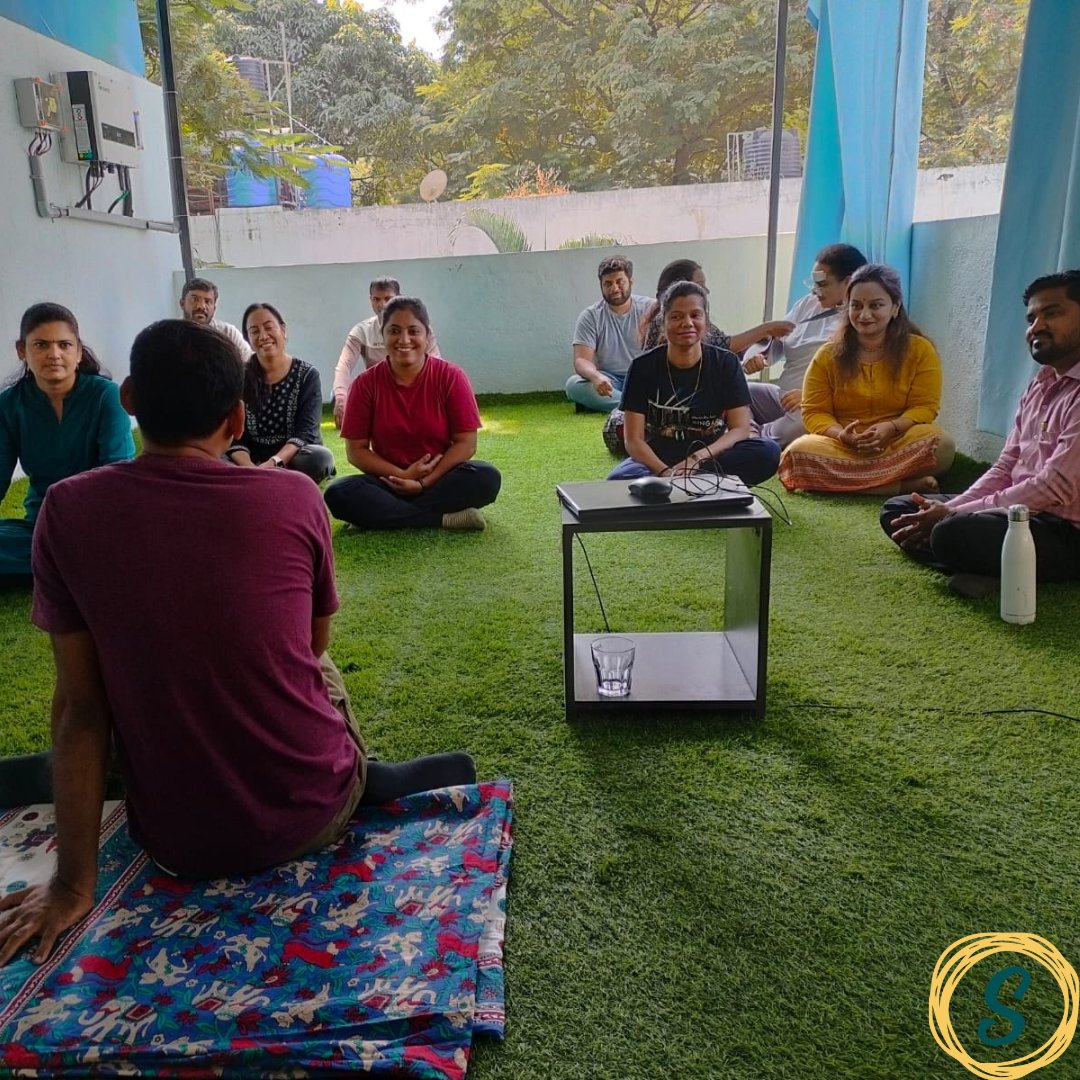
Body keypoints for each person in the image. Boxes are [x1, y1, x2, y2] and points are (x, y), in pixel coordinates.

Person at [0, 318, 476, 966]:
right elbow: (311, 644)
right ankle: (360, 776)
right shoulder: (294, 496)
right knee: (314, 659)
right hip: (314, 814)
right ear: (236, 418)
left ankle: (53, 776)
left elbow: (81, 709)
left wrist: (71, 885)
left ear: (130, 398)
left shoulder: (65, 510)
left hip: (178, 843)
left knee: (108, 689)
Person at [881, 269, 1080, 596]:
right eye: (1031, 319)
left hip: (1065, 530)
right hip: (1016, 515)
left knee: (950, 531)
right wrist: (952, 508)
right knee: (898, 509)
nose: (1036, 327)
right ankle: (993, 567)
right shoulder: (1041, 384)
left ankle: (988, 563)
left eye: (1052, 313)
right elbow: (1006, 466)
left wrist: (953, 514)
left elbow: (1054, 485)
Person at [325, 297, 501, 531]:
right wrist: (403, 475)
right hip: (388, 481)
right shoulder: (365, 384)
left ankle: (380, 516)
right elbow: (356, 451)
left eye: (413, 331)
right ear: (383, 335)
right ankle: (443, 519)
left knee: (486, 477)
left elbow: (466, 443)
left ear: (427, 336)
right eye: (394, 331)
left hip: (440, 479)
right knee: (338, 493)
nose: (404, 340)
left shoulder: (451, 377)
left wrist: (423, 483)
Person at [777, 264, 955, 494]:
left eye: (876, 305)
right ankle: (899, 486)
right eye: (857, 306)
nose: (864, 315)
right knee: (798, 453)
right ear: (847, 307)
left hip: (896, 441)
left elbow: (925, 407)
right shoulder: (827, 355)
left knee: (942, 444)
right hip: (841, 445)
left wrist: (891, 427)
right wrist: (842, 435)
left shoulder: (920, 350)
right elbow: (814, 411)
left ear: (895, 308)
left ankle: (845, 483)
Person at [0, 303, 134, 583]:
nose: (54, 354)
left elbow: (118, 475)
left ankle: (65, 560)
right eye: (41, 345)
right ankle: (64, 561)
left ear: (78, 352)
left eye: (64, 345)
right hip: (41, 524)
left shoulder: (106, 396)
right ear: (22, 350)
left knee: (116, 547)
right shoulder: (9, 404)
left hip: (98, 524)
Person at [608, 281, 781, 486]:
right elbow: (633, 440)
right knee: (619, 480)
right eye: (676, 316)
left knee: (767, 452)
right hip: (658, 458)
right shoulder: (642, 367)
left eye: (695, 315)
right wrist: (664, 472)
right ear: (663, 322)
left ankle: (686, 486)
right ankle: (702, 486)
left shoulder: (726, 363)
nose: (687, 323)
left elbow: (740, 428)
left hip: (710, 456)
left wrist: (696, 459)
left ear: (705, 321)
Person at [743, 243, 867, 448]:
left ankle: (750, 439)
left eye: (822, 284)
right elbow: (777, 338)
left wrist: (812, 397)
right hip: (783, 396)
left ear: (848, 283)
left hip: (815, 405)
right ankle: (749, 436)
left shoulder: (861, 321)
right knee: (740, 391)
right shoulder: (807, 304)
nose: (814, 290)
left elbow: (859, 382)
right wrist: (759, 356)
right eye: (814, 283)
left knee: (804, 422)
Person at [225, 302, 336, 483]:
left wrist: (272, 463)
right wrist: (251, 468)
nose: (263, 336)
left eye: (269, 327)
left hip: (294, 457)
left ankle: (269, 478)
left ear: (283, 330)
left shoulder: (307, 375)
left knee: (320, 458)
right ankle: (269, 479)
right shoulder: (240, 376)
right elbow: (236, 436)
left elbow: (306, 432)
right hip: (252, 459)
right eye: (254, 331)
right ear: (247, 339)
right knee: (217, 458)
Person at [331, 277, 441, 429]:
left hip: (415, 388)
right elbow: (344, 364)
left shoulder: (421, 328)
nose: (382, 305)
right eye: (376, 299)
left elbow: (436, 363)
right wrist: (341, 397)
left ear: (399, 297)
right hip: (378, 392)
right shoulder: (361, 331)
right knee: (336, 395)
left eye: (388, 299)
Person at [638, 259, 794, 354]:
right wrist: (766, 329)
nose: (706, 291)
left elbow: (724, 343)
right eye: (700, 286)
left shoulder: (695, 318)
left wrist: (759, 340)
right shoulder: (663, 321)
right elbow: (726, 345)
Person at [566, 256, 653, 414]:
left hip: (646, 379)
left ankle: (625, 407)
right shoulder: (590, 316)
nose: (614, 288)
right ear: (601, 285)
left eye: (620, 282)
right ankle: (641, 410)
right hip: (610, 381)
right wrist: (595, 377)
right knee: (574, 385)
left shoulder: (651, 309)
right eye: (608, 284)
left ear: (631, 282)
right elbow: (582, 360)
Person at [178, 277, 247, 357]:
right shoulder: (170, 336)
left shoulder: (229, 334)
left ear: (214, 308)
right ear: (182, 304)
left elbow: (249, 360)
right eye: (195, 299)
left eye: (207, 301)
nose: (201, 306)